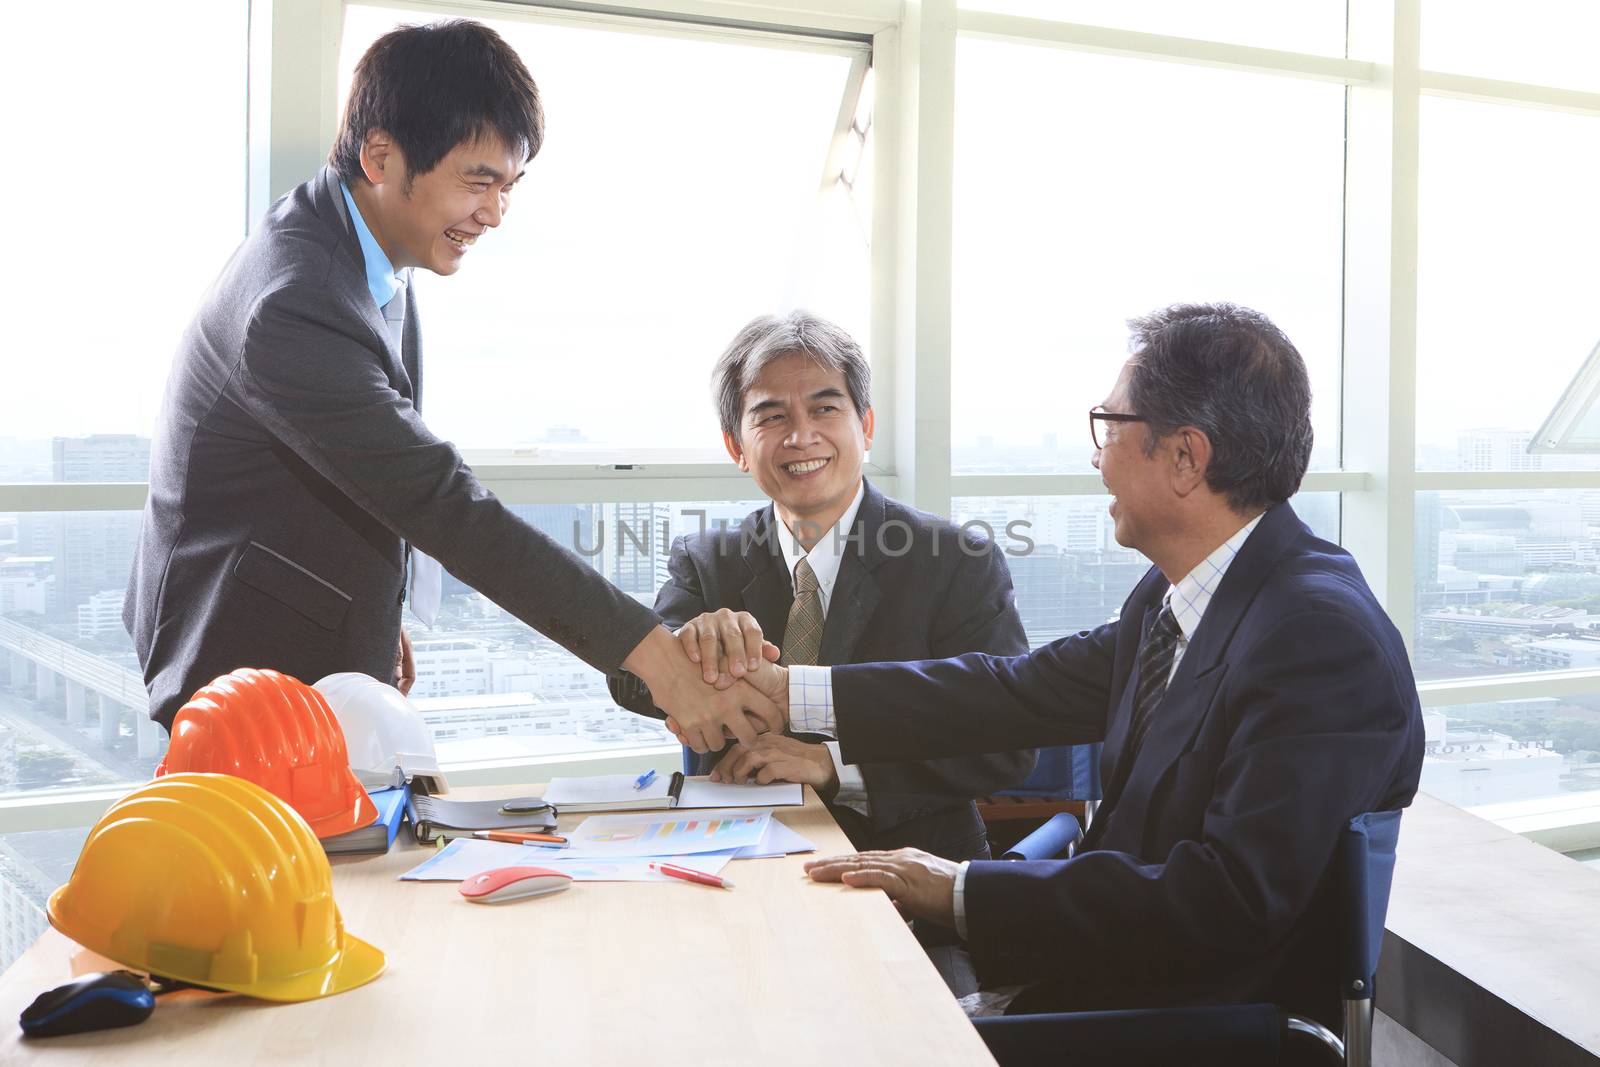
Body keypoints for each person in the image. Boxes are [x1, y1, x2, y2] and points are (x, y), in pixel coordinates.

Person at [687, 303, 1425, 1028]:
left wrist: (958, 889)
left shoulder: (1318, 637)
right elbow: (1014, 690)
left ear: (1184, 456)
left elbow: (1228, 900)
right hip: (1097, 978)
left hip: (1173, 1026)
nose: (1096, 455)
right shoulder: (1187, 594)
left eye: (1109, 427)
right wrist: (789, 692)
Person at [124, 19, 775, 744]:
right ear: (380, 156)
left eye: (509, 186)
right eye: (478, 182)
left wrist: (373, 608)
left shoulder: (363, 247)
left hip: (308, 624)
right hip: (241, 655)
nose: (494, 213)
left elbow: (363, 467)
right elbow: (440, 501)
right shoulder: (294, 301)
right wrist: (656, 656)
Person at [608, 310, 1036, 994]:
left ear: (865, 426)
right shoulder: (709, 558)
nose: (800, 435)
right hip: (739, 887)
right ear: (736, 446)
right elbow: (630, 682)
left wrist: (835, 767)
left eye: (825, 407)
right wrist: (689, 642)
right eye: (770, 415)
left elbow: (1006, 745)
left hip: (908, 899)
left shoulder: (955, 561)